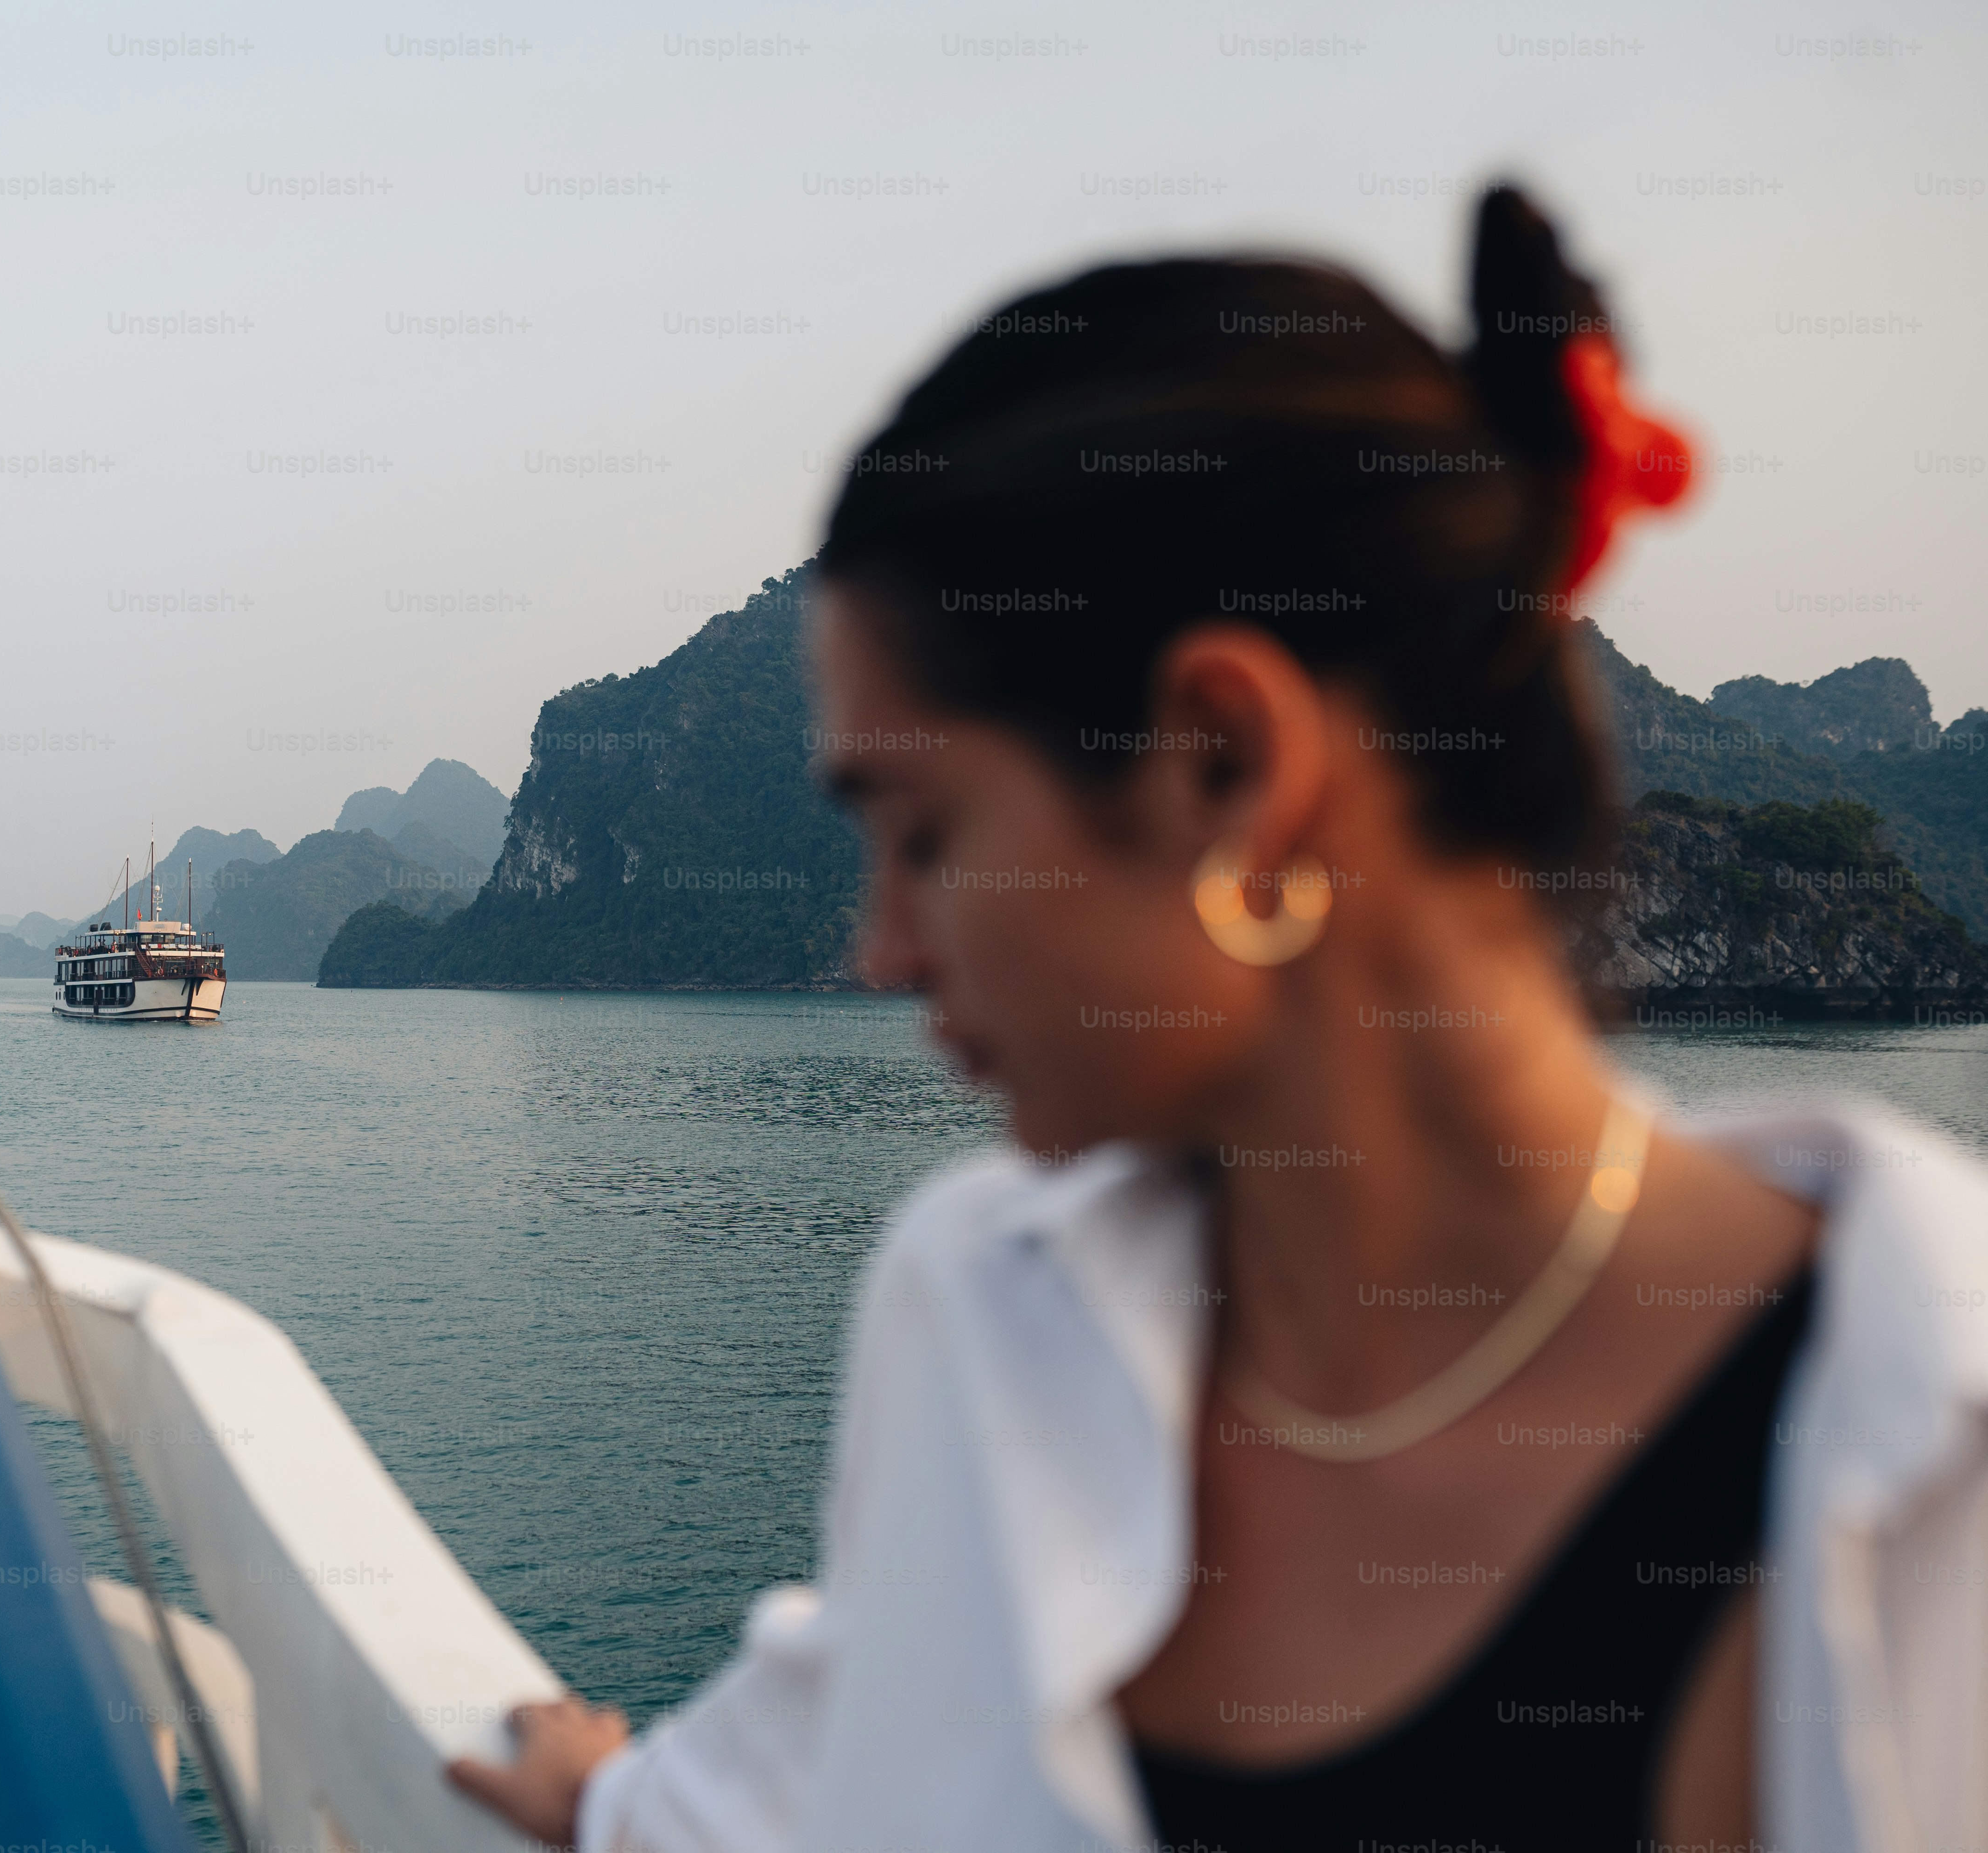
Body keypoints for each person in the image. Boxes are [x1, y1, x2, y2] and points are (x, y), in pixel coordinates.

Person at [445, 186, 1988, 1852]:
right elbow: (851, 1742)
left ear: (1225, 765)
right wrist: (612, 1803)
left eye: (926, 837)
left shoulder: (1924, 1470)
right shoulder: (980, 1311)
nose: (881, 951)